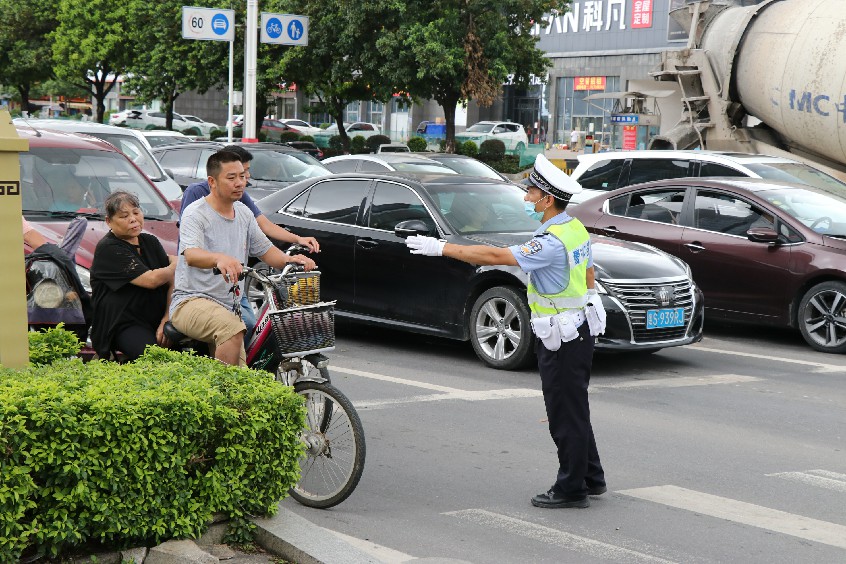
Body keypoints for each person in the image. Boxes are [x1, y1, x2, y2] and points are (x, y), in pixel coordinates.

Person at [405, 155, 606, 509]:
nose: (527, 198)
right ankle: (591, 476)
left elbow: (495, 257)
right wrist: (589, 301)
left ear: (547, 198)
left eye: (531, 192)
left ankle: (572, 488)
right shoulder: (574, 228)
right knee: (575, 407)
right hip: (579, 329)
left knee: (563, 413)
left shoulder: (549, 242)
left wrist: (441, 248)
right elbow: (589, 272)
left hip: (562, 338)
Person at [171, 150, 316, 366]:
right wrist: (219, 258)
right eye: (231, 178)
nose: (240, 182)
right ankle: (221, 397)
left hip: (230, 305)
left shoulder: (244, 213)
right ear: (212, 181)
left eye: (242, 176)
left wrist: (292, 260)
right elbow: (191, 254)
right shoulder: (195, 213)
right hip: (191, 301)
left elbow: (266, 251)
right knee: (232, 329)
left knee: (242, 373)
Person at [90, 191, 176, 361]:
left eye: (136, 212)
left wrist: (167, 318)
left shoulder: (150, 242)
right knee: (155, 360)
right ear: (109, 221)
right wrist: (175, 264)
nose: (133, 219)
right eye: (124, 216)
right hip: (123, 323)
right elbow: (151, 280)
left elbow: (172, 281)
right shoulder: (109, 248)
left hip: (157, 318)